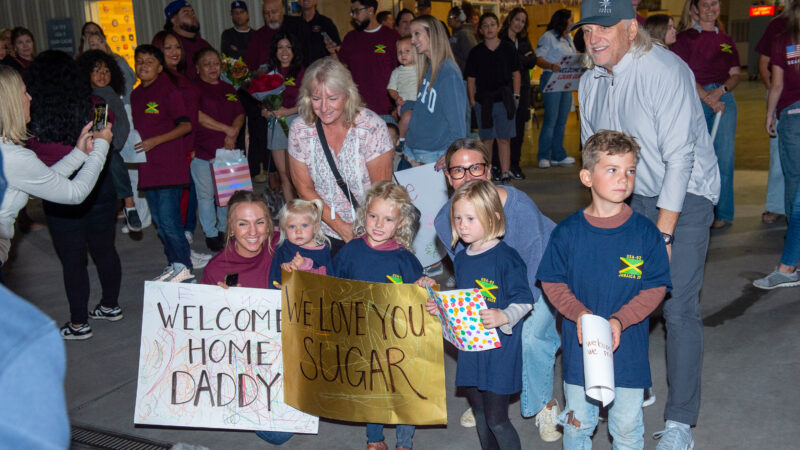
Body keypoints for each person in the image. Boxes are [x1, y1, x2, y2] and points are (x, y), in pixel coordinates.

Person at [574, 0, 721, 447]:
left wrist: (663, 233)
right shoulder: (590, 80)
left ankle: (679, 422)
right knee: (625, 294)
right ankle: (635, 385)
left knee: (677, 306)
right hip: (631, 195)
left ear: (631, 29)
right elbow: (595, 159)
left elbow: (680, 159)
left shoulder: (665, 71)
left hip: (687, 195)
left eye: (605, 28)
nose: (594, 38)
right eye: (587, 31)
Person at [538, 130, 671, 449]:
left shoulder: (645, 233)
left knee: (627, 427)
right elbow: (552, 282)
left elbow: (655, 288)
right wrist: (579, 314)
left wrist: (621, 320)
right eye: (612, 169)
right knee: (577, 425)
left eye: (630, 170)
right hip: (579, 352)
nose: (623, 178)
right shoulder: (567, 233)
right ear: (587, 176)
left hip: (628, 350)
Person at [433, 139, 561, 441]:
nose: (468, 177)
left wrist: (508, 315)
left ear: (489, 170)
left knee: (529, 338)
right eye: (458, 171)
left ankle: (543, 403)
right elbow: (468, 278)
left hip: (541, 276)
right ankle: (486, 396)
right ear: (449, 178)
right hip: (495, 280)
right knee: (480, 335)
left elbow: (531, 278)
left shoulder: (521, 210)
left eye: (475, 167)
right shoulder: (445, 219)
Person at [428, 179, 533, 450]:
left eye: (470, 218)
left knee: (498, 420)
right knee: (481, 415)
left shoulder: (507, 258)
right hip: (471, 350)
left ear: (493, 217)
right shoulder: (461, 258)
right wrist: (441, 310)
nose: (462, 225)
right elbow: (463, 302)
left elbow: (525, 301)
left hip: (499, 351)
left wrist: (504, 316)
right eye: (458, 218)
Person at [24, 51, 122, 341]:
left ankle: (79, 323)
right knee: (105, 249)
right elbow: (108, 137)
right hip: (99, 188)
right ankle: (110, 305)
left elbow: (31, 158)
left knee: (73, 260)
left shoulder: (33, 119)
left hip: (58, 193)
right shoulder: (97, 106)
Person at [332, 180, 429, 450]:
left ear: (400, 223)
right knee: (371, 387)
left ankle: (404, 443)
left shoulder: (405, 259)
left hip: (398, 340)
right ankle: (374, 439)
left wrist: (426, 286)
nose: (378, 224)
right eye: (373, 215)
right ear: (364, 215)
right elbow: (330, 286)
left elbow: (420, 295)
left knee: (402, 388)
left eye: (388, 219)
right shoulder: (350, 251)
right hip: (362, 336)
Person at [0, 65, 112, 282]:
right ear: (10, 103)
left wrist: (79, 154)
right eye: (24, 92)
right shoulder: (13, 157)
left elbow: (41, 181)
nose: (30, 97)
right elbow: (75, 193)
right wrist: (101, 145)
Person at [287, 57, 393, 254]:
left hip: (372, 231)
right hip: (322, 230)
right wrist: (341, 227)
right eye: (316, 99)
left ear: (348, 94)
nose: (324, 108)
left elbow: (382, 191)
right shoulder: (300, 130)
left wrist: (366, 233)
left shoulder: (371, 126)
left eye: (332, 98)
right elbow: (304, 188)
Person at [672, 0, 740, 229]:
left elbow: (735, 73)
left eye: (715, 3)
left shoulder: (727, 40)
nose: (711, 8)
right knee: (696, 157)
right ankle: (696, 208)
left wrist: (720, 92)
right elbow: (683, 72)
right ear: (694, 10)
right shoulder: (685, 38)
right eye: (705, 4)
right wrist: (706, 97)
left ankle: (723, 212)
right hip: (696, 98)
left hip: (724, 99)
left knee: (725, 157)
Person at [130, 45, 195, 282]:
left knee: (169, 221)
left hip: (169, 167)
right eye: (139, 61)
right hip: (148, 168)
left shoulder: (169, 90)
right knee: (159, 222)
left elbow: (186, 125)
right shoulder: (136, 95)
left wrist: (156, 141)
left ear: (159, 67)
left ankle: (185, 268)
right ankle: (174, 264)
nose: (143, 65)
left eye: (149, 61)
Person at [753, 1, 800, 290]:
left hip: (792, 116)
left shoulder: (783, 39)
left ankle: (788, 265)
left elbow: (778, 85)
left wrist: (770, 114)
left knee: (795, 187)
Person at [76, 50, 140, 232]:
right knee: (114, 162)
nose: (102, 75)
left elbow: (122, 122)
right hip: (101, 145)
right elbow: (99, 126)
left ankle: (127, 205)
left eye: (106, 70)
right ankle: (129, 204)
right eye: (96, 70)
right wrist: (108, 147)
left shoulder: (109, 92)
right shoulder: (97, 97)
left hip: (114, 142)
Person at [152, 30, 203, 249]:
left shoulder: (180, 76)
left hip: (188, 146)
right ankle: (181, 251)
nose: (174, 52)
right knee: (177, 201)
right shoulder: (160, 80)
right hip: (175, 149)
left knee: (188, 197)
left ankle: (184, 242)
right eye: (168, 47)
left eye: (178, 47)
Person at [193, 47, 245, 250]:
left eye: (216, 63)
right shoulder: (194, 89)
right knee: (206, 195)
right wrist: (227, 130)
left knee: (227, 195)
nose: (213, 67)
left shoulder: (228, 88)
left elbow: (240, 113)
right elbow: (197, 116)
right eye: (207, 64)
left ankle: (224, 230)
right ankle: (211, 233)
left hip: (228, 151)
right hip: (204, 151)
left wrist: (234, 132)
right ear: (197, 68)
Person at [402, 16, 467, 168]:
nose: (412, 40)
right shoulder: (430, 67)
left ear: (433, 34)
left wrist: (451, 152)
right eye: (411, 35)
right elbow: (428, 106)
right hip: (417, 151)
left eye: (417, 34)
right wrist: (405, 105)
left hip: (434, 154)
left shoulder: (448, 71)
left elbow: (458, 121)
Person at [465, 13, 521, 184]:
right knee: (487, 139)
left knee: (504, 139)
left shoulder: (508, 48)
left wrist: (516, 96)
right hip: (484, 101)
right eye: (485, 25)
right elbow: (471, 79)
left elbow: (516, 73)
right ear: (481, 30)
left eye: (492, 24)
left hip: (504, 100)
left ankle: (505, 172)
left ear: (498, 27)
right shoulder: (476, 52)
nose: (489, 28)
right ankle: (487, 172)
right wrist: (473, 101)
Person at [330, 0, 400, 121]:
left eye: (356, 11)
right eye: (352, 12)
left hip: (386, 111)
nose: (354, 16)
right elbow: (341, 70)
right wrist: (332, 53)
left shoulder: (392, 37)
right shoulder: (351, 38)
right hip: (357, 111)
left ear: (370, 10)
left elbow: (401, 72)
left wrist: (398, 105)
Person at [755, 3, 792, 224]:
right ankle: (777, 205)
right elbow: (764, 61)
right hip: (781, 97)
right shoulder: (777, 25)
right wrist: (772, 91)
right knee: (778, 154)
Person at [261, 31, 305, 202]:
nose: (284, 51)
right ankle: (291, 212)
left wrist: (287, 112)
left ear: (294, 50)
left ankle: (305, 210)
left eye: (288, 47)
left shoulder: (302, 72)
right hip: (275, 125)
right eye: (280, 47)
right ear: (275, 51)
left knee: (297, 174)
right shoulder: (269, 73)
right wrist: (266, 112)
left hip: (295, 122)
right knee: (283, 175)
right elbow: (262, 103)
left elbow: (309, 102)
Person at [536, 9, 578, 169]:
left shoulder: (569, 38)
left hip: (566, 81)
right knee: (551, 119)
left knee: (562, 120)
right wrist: (551, 66)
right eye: (570, 19)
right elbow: (538, 58)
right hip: (551, 79)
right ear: (563, 21)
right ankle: (544, 155)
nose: (573, 22)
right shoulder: (548, 37)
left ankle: (558, 154)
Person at [501, 7, 536, 180]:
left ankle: (515, 164)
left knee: (519, 129)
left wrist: (518, 58)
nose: (519, 24)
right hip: (506, 90)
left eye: (523, 21)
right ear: (510, 19)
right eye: (517, 19)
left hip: (523, 89)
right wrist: (521, 58)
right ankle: (500, 165)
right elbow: (505, 62)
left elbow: (532, 61)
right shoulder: (501, 39)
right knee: (504, 129)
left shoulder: (524, 39)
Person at [268, 198, 331, 287]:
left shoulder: (323, 251)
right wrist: (284, 272)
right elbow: (274, 278)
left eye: (304, 225)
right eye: (292, 226)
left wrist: (305, 265)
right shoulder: (283, 247)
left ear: (316, 227)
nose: (298, 231)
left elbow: (327, 281)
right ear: (284, 229)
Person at [164, 0, 212, 81]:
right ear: (173, 20)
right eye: (186, 13)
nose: (192, 15)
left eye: (192, 12)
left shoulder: (203, 44)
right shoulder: (168, 46)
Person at [386, 36, 417, 151]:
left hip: (421, 101)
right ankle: (400, 139)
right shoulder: (397, 72)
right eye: (399, 52)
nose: (403, 54)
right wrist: (397, 98)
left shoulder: (423, 68)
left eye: (407, 51)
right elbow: (391, 89)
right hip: (406, 102)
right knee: (407, 116)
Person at [297, 0, 341, 66]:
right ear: (298, 1)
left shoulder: (326, 23)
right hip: (300, 72)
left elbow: (338, 49)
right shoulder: (294, 24)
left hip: (322, 70)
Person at [447, 6, 478, 73]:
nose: (448, 19)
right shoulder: (456, 34)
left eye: (450, 17)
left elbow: (472, 59)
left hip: (464, 77)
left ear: (458, 18)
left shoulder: (465, 34)